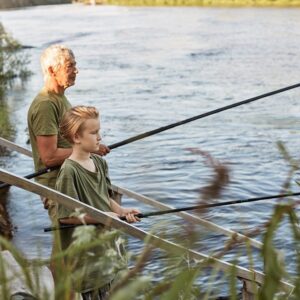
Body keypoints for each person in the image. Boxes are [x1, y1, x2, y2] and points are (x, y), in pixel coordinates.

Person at [55, 106, 140, 299]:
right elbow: (66, 218)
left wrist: (122, 211)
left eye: (99, 131)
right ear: (77, 137)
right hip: (89, 260)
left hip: (109, 248)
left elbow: (105, 198)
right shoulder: (69, 172)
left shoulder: (100, 162)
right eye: (94, 133)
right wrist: (100, 218)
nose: (99, 137)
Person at [27, 44, 110, 219]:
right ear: (51, 70)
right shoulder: (46, 105)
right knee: (70, 245)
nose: (76, 70)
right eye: (69, 66)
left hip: (73, 183)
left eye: (75, 65)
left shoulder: (59, 98)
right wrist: (91, 149)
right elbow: (49, 157)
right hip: (59, 189)